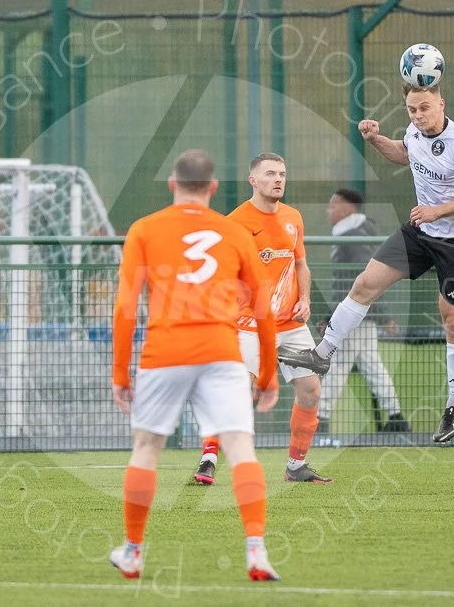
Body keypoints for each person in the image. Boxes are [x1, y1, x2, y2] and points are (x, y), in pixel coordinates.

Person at [279, 82, 454, 444]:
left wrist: (437, 211)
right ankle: (322, 353)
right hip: (420, 231)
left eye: (424, 108)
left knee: (453, 321)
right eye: (412, 110)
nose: (418, 115)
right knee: (364, 284)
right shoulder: (414, 131)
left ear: (441, 103)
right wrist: (377, 140)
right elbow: (403, 152)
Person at [109, 150, 281, 581]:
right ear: (214, 188)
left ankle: (132, 551)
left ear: (171, 185)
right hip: (222, 350)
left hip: (164, 352)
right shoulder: (234, 231)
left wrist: (120, 373)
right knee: (241, 446)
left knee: (147, 448)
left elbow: (126, 308)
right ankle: (257, 551)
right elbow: (263, 309)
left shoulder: (145, 229)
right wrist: (267, 374)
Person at [196, 153, 333, 486]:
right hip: (248, 324)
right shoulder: (235, 222)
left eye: (283, 174)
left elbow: (301, 264)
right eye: (270, 174)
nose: (278, 179)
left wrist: (305, 299)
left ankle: (296, 466)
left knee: (311, 391)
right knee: (239, 392)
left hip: (290, 324)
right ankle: (209, 458)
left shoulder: (293, 218)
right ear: (252, 180)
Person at [317, 188, 410, 434]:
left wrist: (383, 316)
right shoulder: (352, 234)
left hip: (356, 315)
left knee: (338, 364)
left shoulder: (353, 237)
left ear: (347, 209)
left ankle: (320, 418)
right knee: (371, 365)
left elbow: (366, 281)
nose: (329, 211)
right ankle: (396, 416)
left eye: (333, 206)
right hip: (361, 314)